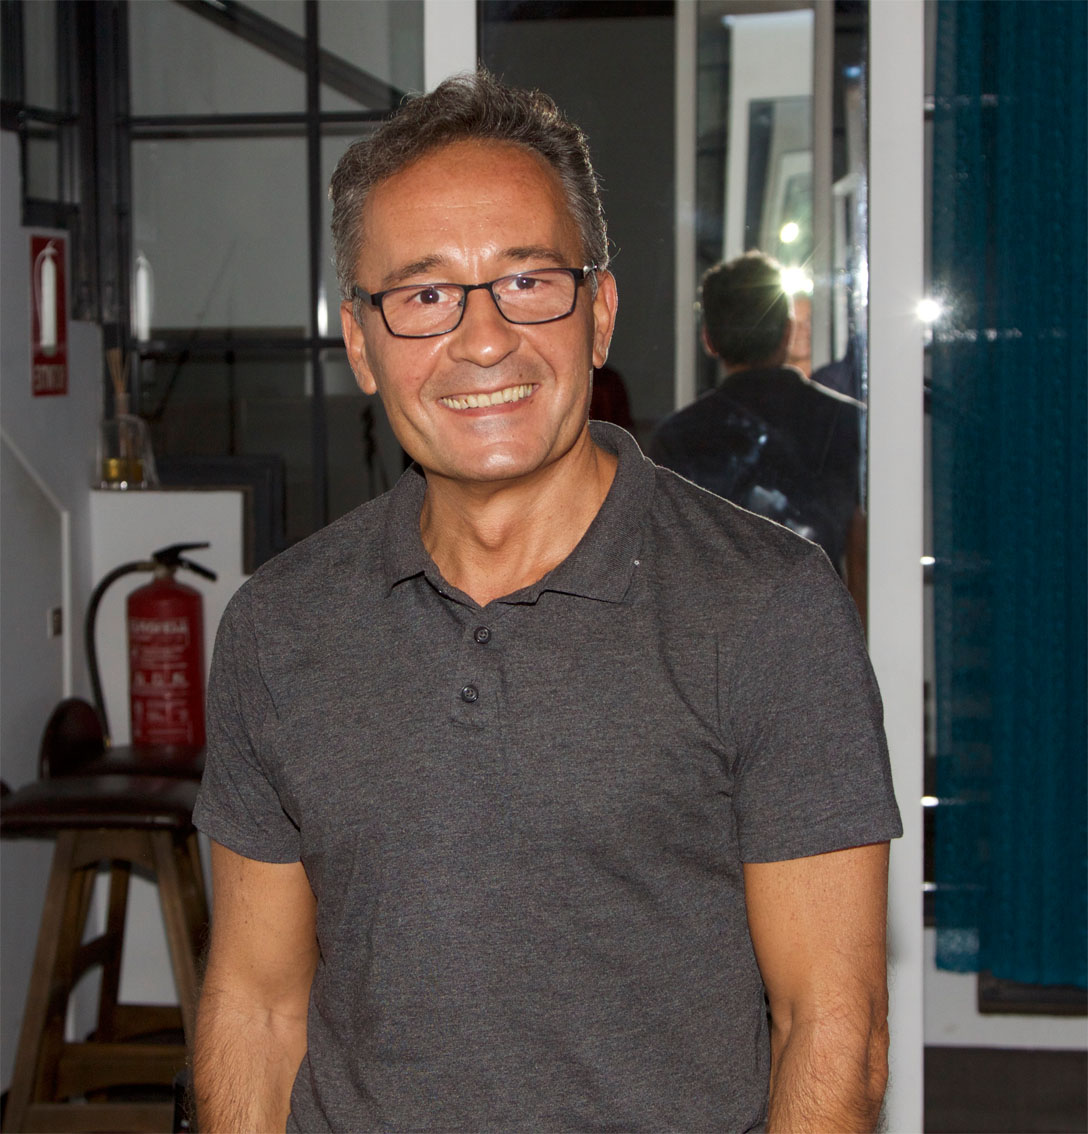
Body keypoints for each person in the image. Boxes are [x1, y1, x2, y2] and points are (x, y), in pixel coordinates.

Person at [192, 72, 902, 1134]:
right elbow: (255, 1007)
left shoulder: (765, 610)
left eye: (528, 282)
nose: (483, 340)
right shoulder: (278, 626)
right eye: (424, 296)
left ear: (599, 314)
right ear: (360, 344)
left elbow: (832, 1028)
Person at [648, 252, 864, 577]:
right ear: (788, 331)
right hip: (818, 607)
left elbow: (668, 564)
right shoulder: (847, 422)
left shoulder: (676, 438)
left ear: (708, 339)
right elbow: (862, 553)